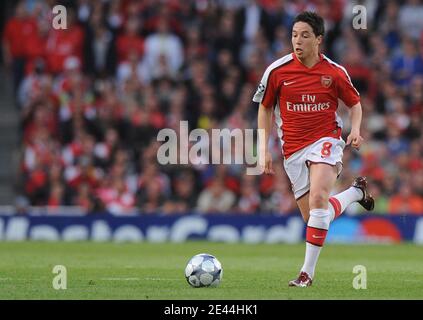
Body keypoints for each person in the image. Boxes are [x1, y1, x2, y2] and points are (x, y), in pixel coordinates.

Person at [254, 11, 374, 287]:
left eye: (305, 35)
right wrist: (262, 150)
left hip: (326, 141)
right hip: (293, 149)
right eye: (294, 35)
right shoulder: (277, 71)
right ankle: (356, 193)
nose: (298, 41)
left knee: (320, 198)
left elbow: (355, 104)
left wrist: (354, 130)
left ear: (318, 40)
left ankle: (306, 274)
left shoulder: (334, 72)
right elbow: (265, 109)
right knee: (314, 217)